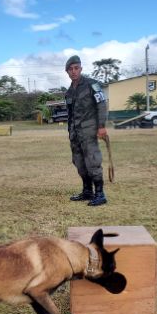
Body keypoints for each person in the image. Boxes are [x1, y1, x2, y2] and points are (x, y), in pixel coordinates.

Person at [64, 55, 109, 206]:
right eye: (70, 69)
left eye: (76, 68)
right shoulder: (69, 92)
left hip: (89, 130)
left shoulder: (92, 85)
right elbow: (70, 114)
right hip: (75, 133)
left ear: (81, 69)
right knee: (79, 162)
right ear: (67, 72)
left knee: (92, 161)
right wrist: (70, 131)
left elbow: (101, 104)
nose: (73, 71)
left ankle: (100, 194)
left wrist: (101, 126)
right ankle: (87, 191)